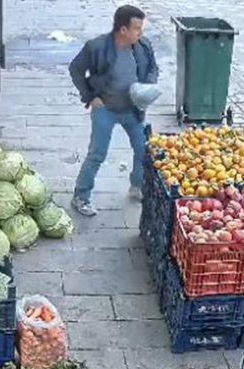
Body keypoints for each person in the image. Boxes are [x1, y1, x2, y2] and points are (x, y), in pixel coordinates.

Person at [68, 5, 159, 217]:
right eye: (137, 28)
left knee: (143, 149)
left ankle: (137, 186)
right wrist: (91, 96)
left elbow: (153, 68)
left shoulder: (143, 46)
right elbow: (76, 69)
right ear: (123, 30)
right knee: (97, 153)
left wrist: (148, 86)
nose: (140, 32)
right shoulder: (97, 46)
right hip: (105, 109)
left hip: (133, 110)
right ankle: (81, 196)